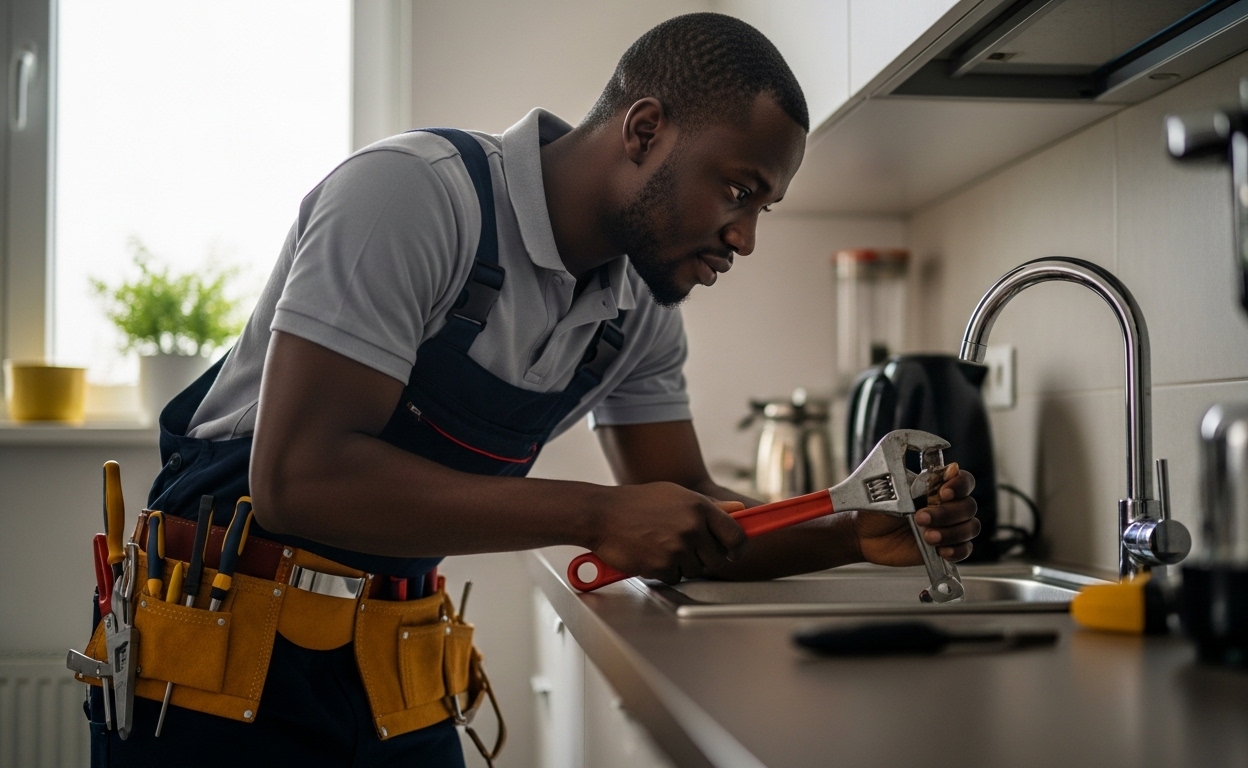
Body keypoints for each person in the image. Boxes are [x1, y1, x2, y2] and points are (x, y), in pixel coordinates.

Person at [87, 12, 980, 767]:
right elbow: (301, 479)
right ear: (644, 130)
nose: (743, 237)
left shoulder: (639, 310)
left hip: (393, 671)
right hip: (212, 670)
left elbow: (691, 512)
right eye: (737, 190)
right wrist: (594, 514)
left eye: (762, 208)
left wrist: (851, 533)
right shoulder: (412, 199)